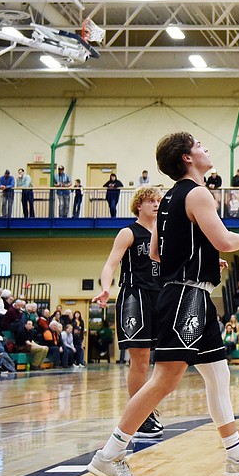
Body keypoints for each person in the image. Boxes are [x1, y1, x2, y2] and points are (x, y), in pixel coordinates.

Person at [88, 132, 239, 476]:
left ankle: (236, 457)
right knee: (165, 378)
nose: (206, 149)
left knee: (217, 376)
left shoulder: (169, 200)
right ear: (187, 158)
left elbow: (160, 254)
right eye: (200, 146)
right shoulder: (197, 193)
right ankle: (109, 454)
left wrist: (204, 261)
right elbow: (226, 240)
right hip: (186, 299)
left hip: (190, 294)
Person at [95, 185, 166, 440]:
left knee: (165, 360)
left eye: (159, 200)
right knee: (140, 359)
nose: (156, 204)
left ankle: (146, 407)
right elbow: (110, 264)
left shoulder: (164, 233)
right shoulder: (128, 232)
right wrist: (105, 289)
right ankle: (140, 416)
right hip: (134, 296)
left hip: (161, 295)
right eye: (151, 201)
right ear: (139, 205)